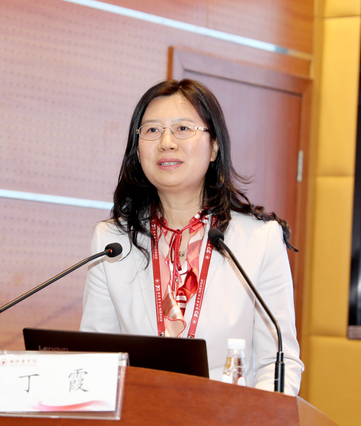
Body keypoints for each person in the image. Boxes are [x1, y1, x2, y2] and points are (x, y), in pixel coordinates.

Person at [80, 79, 304, 395]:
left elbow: (278, 363)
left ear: (214, 147)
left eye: (183, 129)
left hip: (228, 415)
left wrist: (256, 416)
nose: (166, 142)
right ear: (137, 149)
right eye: (152, 130)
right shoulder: (113, 242)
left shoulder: (259, 239)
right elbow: (96, 358)